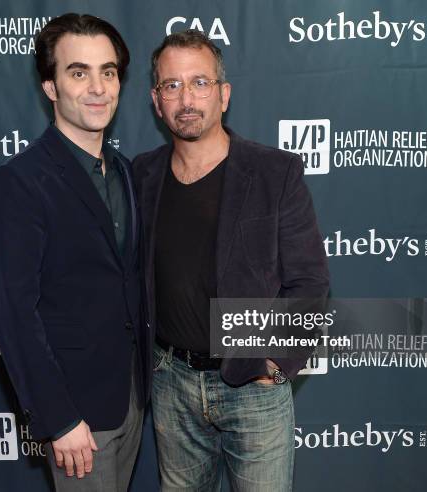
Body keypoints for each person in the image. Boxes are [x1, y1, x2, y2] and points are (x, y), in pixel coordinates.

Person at [133, 30, 329, 491]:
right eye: (172, 85)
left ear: (224, 94)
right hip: (171, 382)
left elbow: (310, 281)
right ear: (156, 100)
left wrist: (277, 362)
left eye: (199, 82)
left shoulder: (274, 172)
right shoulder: (140, 175)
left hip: (251, 388)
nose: (186, 98)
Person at [0, 13, 146, 491]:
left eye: (108, 71)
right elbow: (13, 312)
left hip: (132, 398)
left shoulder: (127, 173)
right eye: (79, 72)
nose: (97, 88)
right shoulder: (19, 183)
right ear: (50, 87)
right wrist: (58, 417)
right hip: (77, 416)